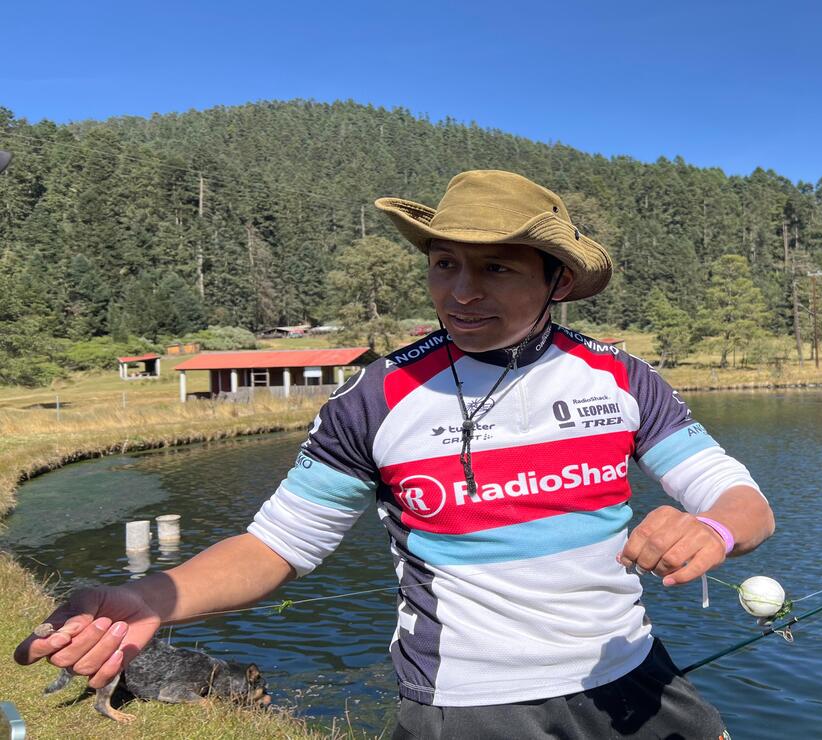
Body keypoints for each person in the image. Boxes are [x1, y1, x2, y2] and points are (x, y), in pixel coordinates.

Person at [15, 170, 774, 738]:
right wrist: (152, 597)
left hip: (633, 675)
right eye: (445, 264)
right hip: (470, 707)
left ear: (559, 281)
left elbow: (744, 505)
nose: (461, 292)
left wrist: (708, 529)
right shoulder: (374, 399)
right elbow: (276, 546)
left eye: (496, 268)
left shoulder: (621, 376)